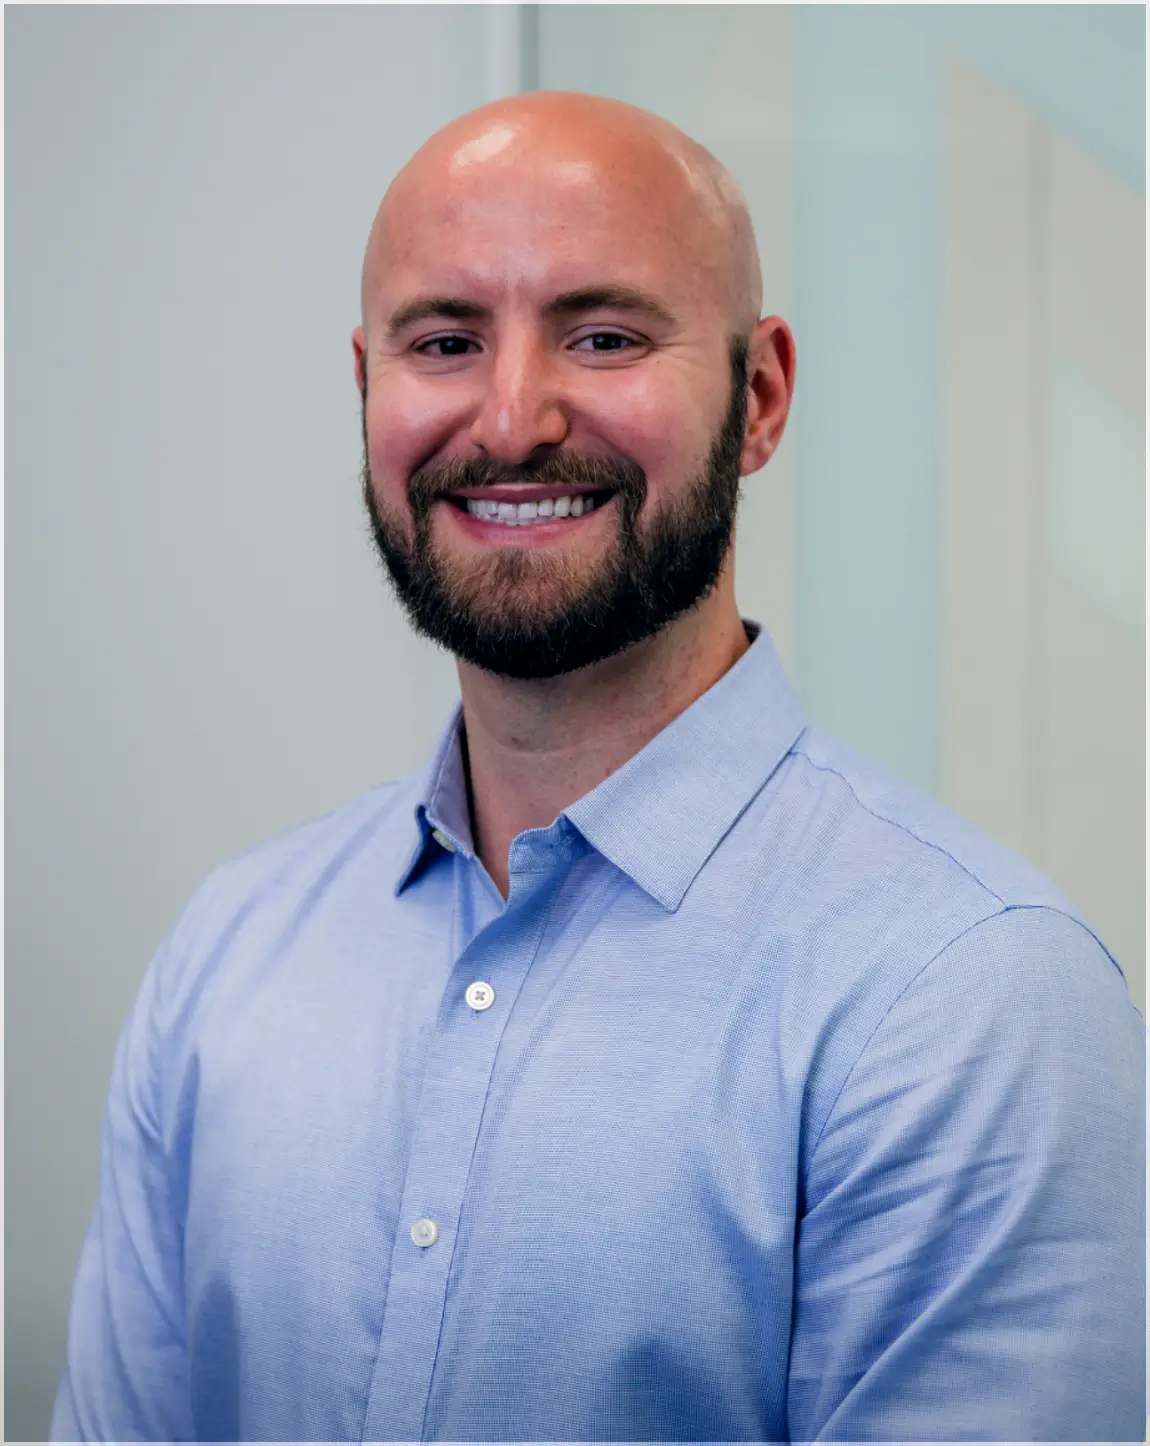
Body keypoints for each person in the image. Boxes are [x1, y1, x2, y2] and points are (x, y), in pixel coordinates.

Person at [52, 91, 1144, 1444]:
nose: (510, 419)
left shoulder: (966, 998)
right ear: (366, 390)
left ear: (758, 396)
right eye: (444, 341)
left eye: (604, 335)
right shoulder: (228, 957)